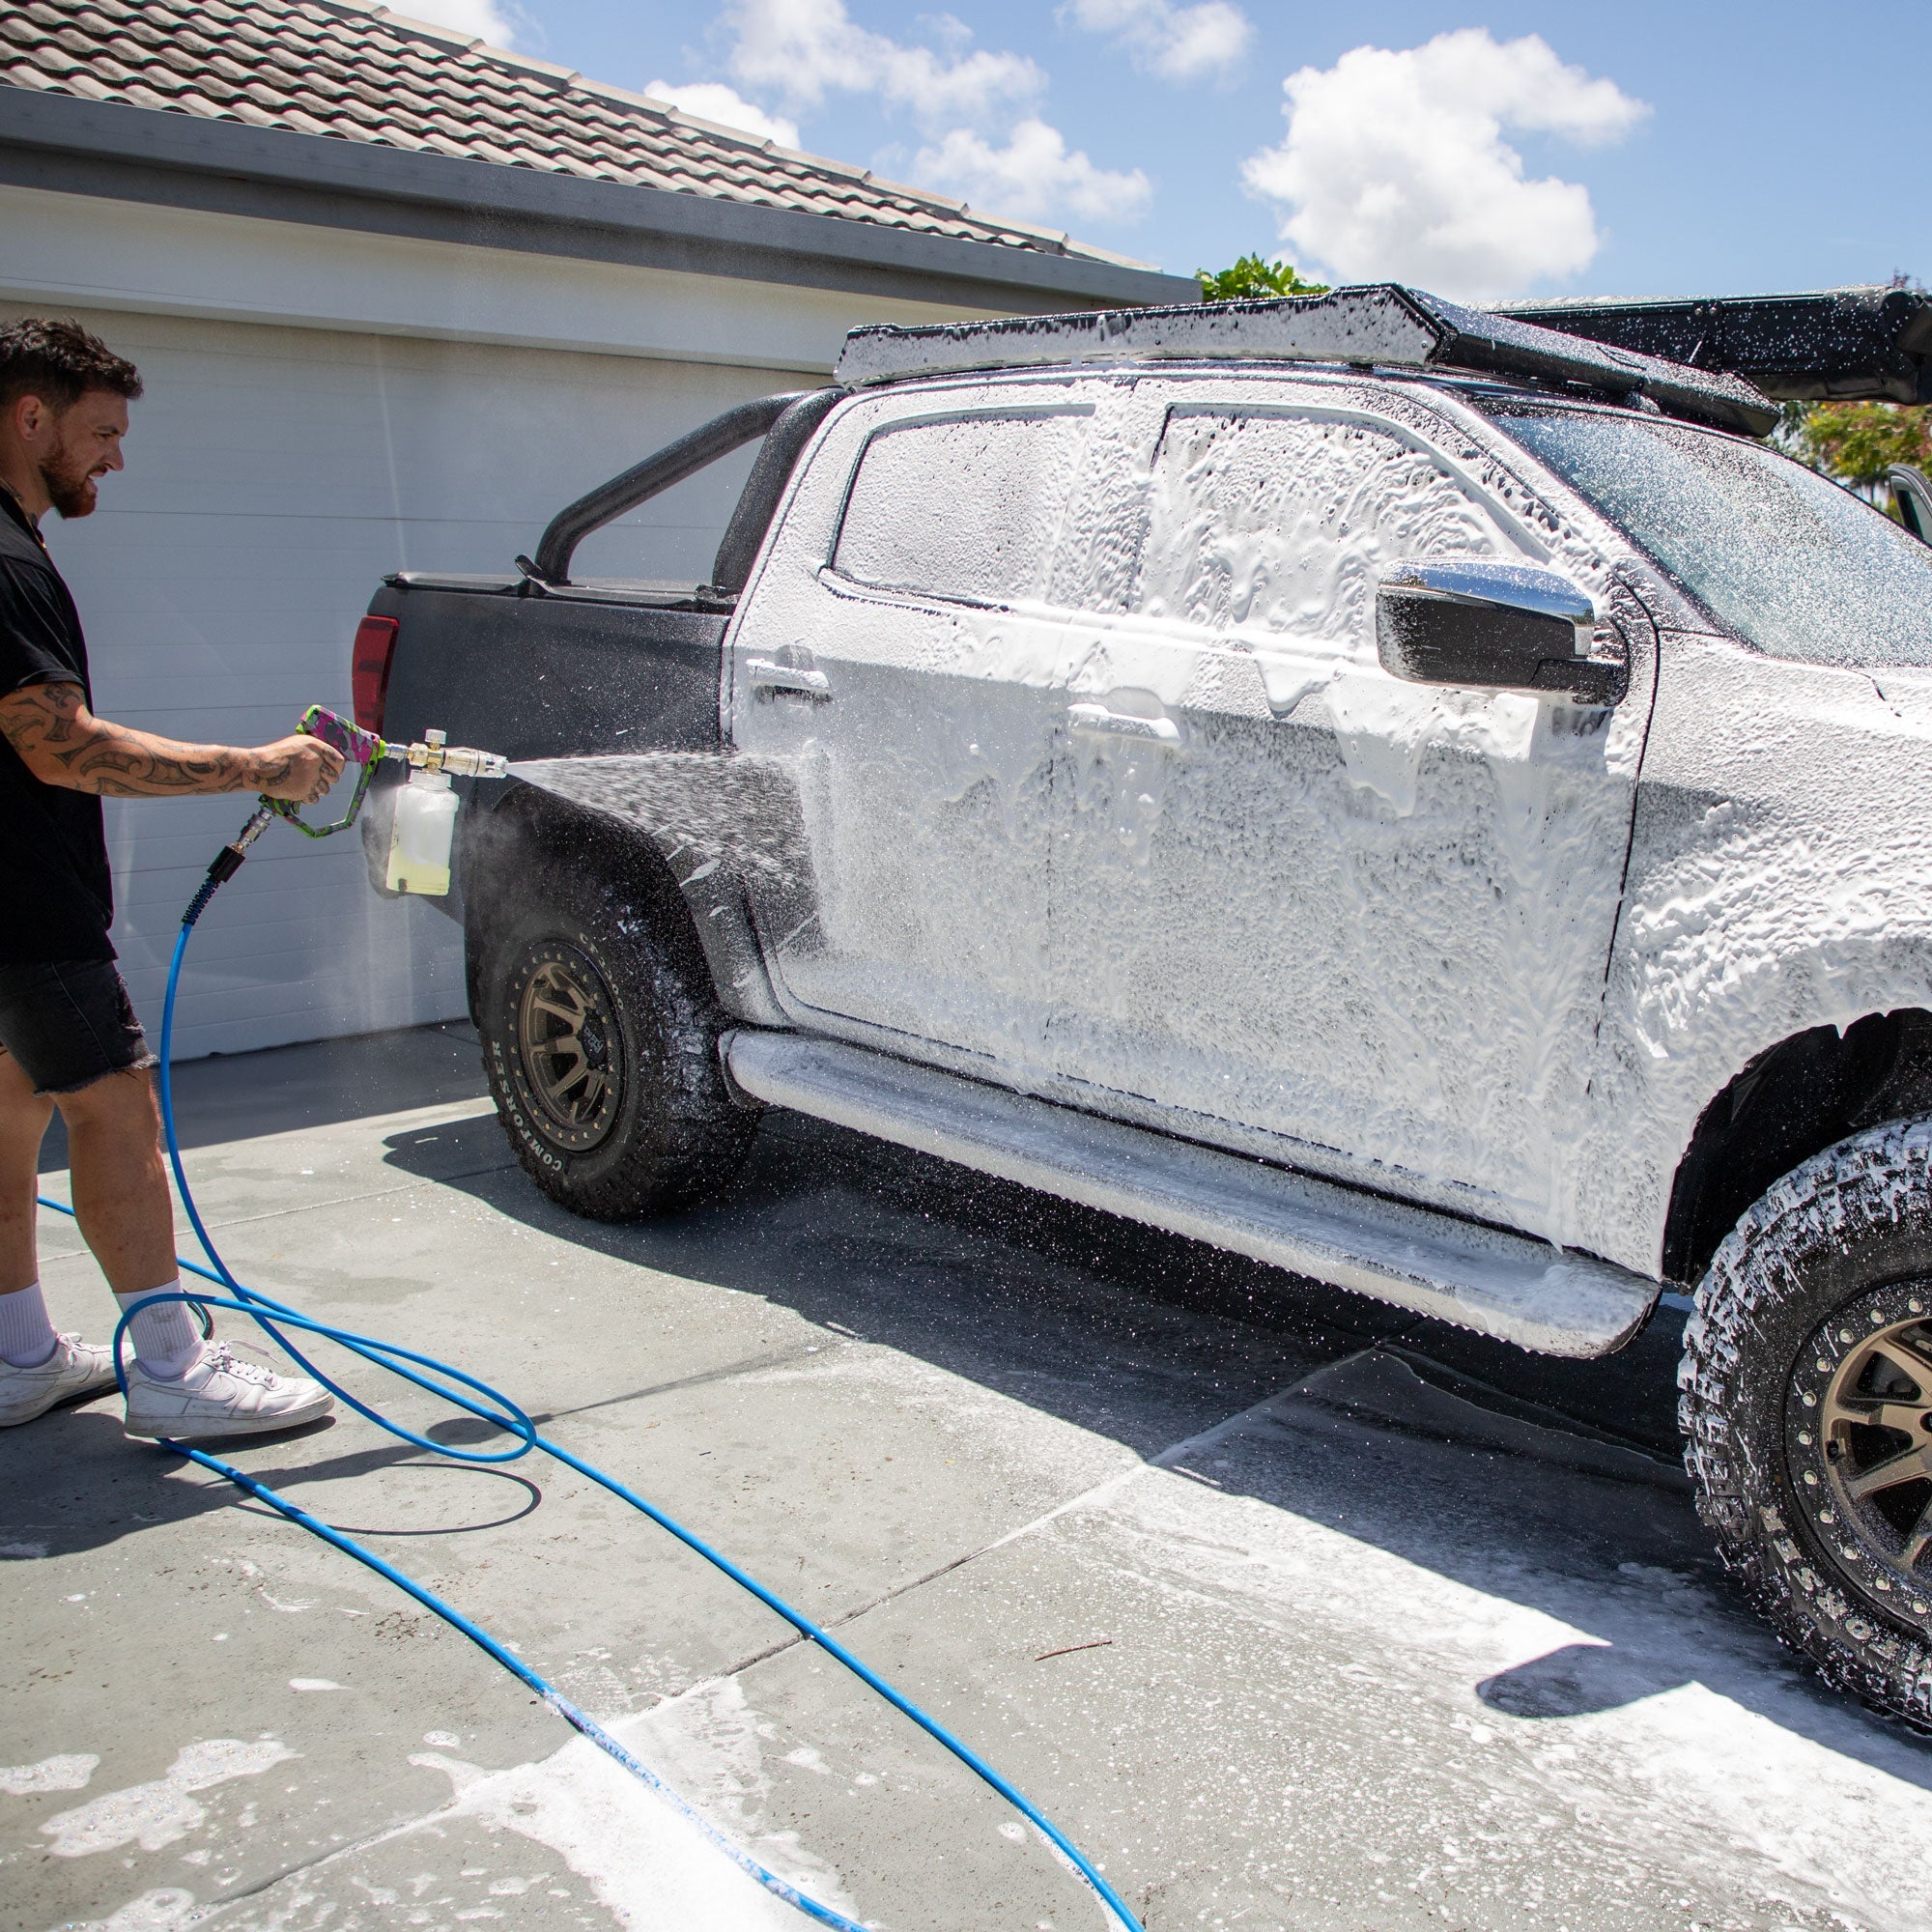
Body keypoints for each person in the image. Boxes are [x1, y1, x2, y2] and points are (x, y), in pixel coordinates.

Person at [0, 318, 344, 1438]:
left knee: (8, 1110)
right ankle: (168, 1364)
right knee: (114, 1110)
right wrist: (260, 766)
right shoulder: (6, 561)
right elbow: (59, 745)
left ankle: (16, 1355)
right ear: (30, 416)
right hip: (25, 904)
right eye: (101, 432)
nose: (115, 458)